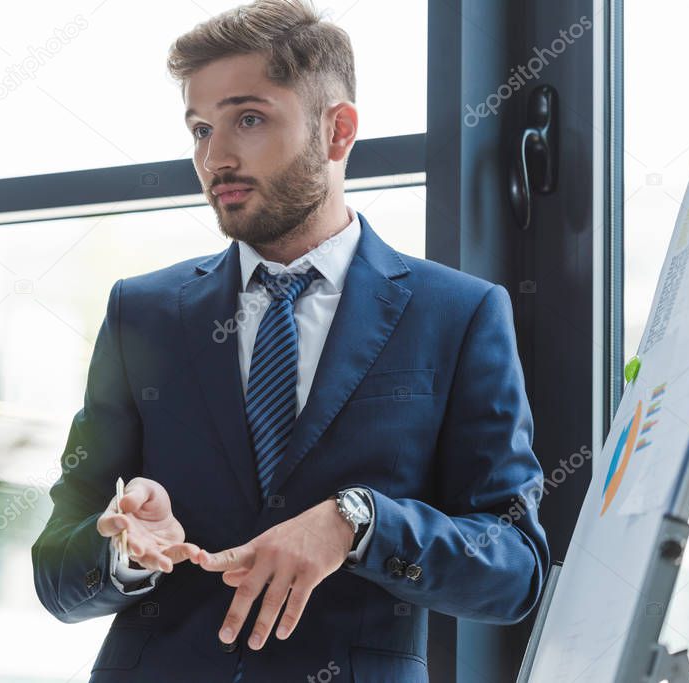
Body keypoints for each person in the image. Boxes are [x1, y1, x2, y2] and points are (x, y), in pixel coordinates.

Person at [32, 1, 550, 680]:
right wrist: (125, 549)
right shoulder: (143, 313)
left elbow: (514, 568)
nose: (214, 156)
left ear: (337, 131)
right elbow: (55, 570)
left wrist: (359, 524)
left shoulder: (457, 313)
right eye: (199, 128)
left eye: (248, 118)